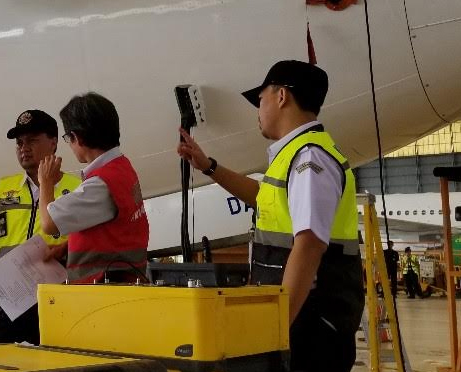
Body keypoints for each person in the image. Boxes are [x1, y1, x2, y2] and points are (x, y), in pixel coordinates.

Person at [177, 60, 364, 372]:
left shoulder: (309, 160)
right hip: (302, 321)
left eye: (260, 99)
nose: (258, 110)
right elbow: (263, 196)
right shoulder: (297, 155)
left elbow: (309, 246)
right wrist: (209, 165)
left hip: (309, 327)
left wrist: (274, 331)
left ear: (282, 96)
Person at [0, 110, 81, 344]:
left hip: (55, 304)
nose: (24, 148)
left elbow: (89, 243)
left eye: (32, 140)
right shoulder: (3, 188)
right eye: (19, 143)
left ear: (53, 143)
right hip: (3, 307)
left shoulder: (78, 188)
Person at [38, 92, 149, 284]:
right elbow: (114, 231)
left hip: (103, 292)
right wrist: (69, 247)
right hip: (120, 283)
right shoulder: (121, 167)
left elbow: (48, 224)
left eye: (68, 138)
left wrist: (46, 183)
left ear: (77, 138)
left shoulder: (101, 184)